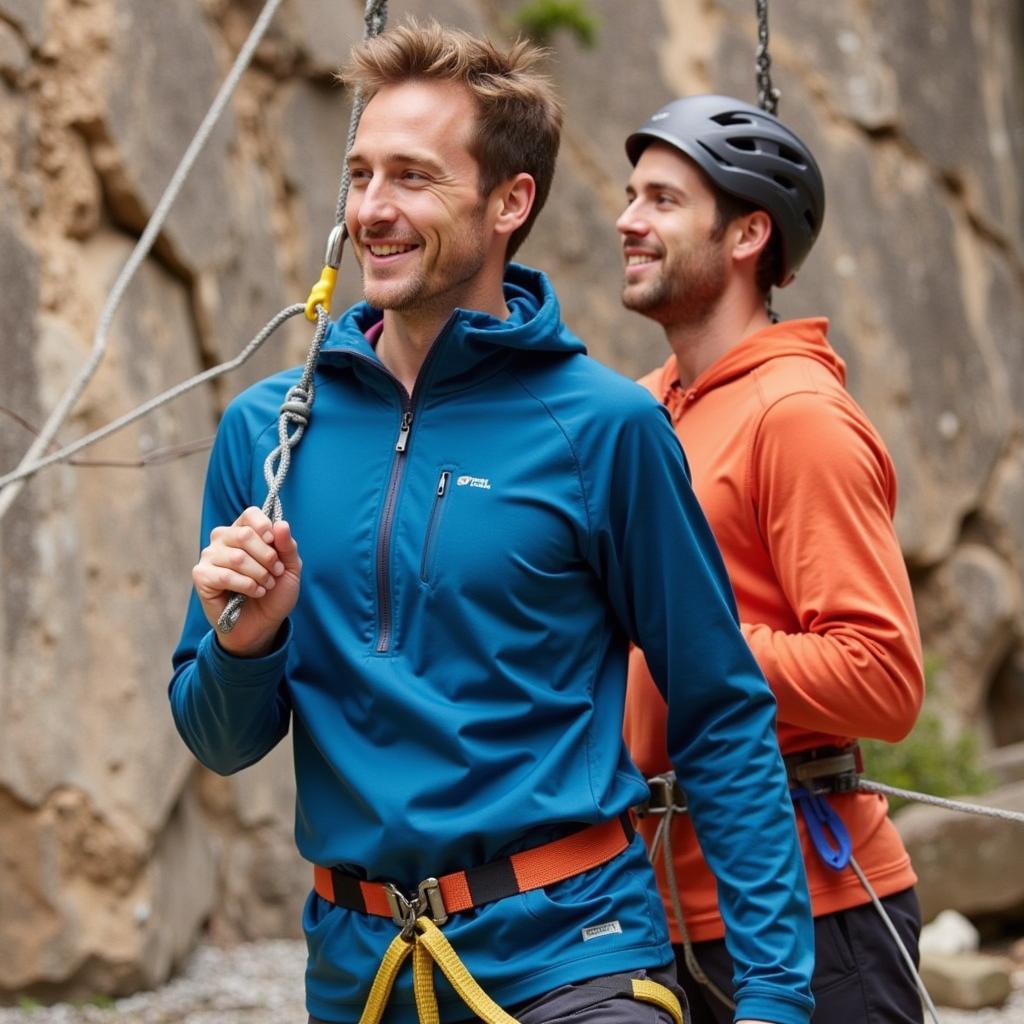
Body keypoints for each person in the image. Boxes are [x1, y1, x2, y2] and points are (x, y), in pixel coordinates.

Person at [169, 27, 814, 1024]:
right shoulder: (270, 431)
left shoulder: (606, 428)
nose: (372, 209)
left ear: (508, 202)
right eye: (361, 174)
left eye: (414, 178)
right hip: (359, 979)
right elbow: (217, 739)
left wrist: (773, 1000)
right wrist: (245, 638)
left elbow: (719, 712)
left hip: (576, 964)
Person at [618, 95, 927, 1024]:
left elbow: (882, 678)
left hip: (818, 918)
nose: (628, 221)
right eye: (632, 196)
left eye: (664, 201)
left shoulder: (795, 417)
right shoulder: (645, 408)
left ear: (749, 232)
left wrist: (697, 647)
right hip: (653, 911)